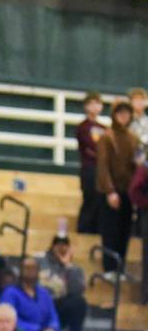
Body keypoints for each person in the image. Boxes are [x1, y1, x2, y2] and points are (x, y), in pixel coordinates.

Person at [0, 257, 83, 331]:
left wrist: (51, 329)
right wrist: (39, 330)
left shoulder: (44, 293)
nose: (30, 271)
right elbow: (10, 321)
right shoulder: (10, 292)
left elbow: (53, 316)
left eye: (33, 268)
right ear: (20, 271)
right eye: (27, 268)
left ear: (38, 271)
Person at [96, 100, 137, 277]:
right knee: (110, 230)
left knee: (124, 231)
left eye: (127, 113)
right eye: (120, 113)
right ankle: (109, 268)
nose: (124, 117)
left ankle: (120, 268)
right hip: (111, 192)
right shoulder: (107, 137)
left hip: (128, 192)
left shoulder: (133, 138)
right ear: (114, 115)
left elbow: (136, 165)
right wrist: (110, 191)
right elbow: (102, 166)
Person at [39, 235, 88, 331]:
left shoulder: (75, 269)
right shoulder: (40, 261)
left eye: (65, 244)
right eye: (58, 244)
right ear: (52, 246)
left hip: (59, 306)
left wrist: (68, 266)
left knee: (79, 302)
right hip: (41, 303)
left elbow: (77, 291)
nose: (61, 247)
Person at [75, 92, 105, 234]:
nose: (95, 107)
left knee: (100, 201)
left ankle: (96, 230)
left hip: (102, 170)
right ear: (86, 106)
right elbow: (89, 147)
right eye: (91, 103)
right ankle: (84, 230)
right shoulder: (83, 127)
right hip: (89, 169)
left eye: (97, 103)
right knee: (90, 199)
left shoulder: (104, 128)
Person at [129, 87, 148, 155]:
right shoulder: (126, 120)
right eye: (136, 99)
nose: (139, 102)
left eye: (142, 99)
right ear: (131, 102)